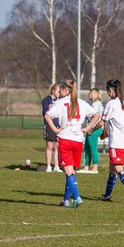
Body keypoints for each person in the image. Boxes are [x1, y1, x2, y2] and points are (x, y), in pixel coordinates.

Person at [43, 78, 100, 208]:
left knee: (68, 172)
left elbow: (47, 116)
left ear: (64, 90)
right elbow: (96, 116)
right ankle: (65, 200)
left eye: (60, 89)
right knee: (71, 171)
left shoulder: (60, 102)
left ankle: (78, 197)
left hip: (65, 139)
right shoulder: (81, 102)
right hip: (78, 140)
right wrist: (87, 128)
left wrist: (55, 129)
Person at [41, 83, 63, 172]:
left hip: (59, 125)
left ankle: (56, 166)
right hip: (50, 125)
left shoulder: (61, 100)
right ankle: (48, 166)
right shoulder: (46, 100)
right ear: (53, 91)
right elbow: (46, 113)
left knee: (57, 147)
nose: (60, 93)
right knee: (49, 146)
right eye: (58, 91)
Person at [82, 87, 104, 173]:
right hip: (91, 128)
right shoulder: (96, 104)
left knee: (93, 148)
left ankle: (95, 168)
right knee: (87, 147)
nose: (89, 95)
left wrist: (90, 128)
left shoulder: (96, 104)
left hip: (94, 129)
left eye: (90, 93)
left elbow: (96, 118)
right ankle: (86, 167)